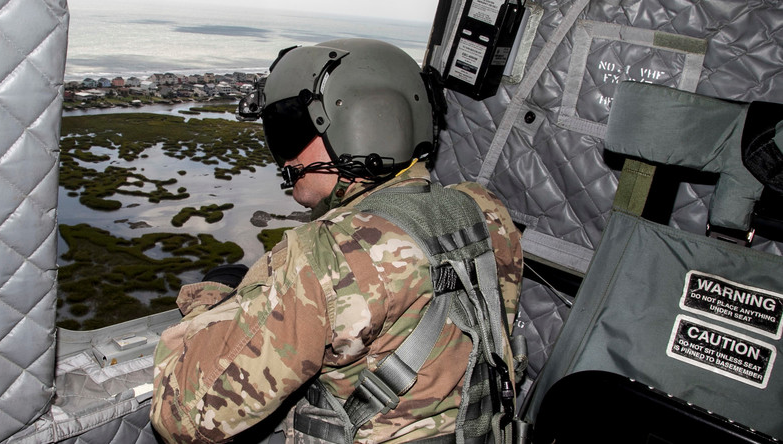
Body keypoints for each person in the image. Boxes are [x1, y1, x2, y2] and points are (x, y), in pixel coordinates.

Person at [150, 38, 523, 443]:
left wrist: (210, 302)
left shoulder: (328, 253)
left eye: (289, 130)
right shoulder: (485, 212)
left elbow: (182, 418)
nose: (284, 158)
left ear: (358, 126)